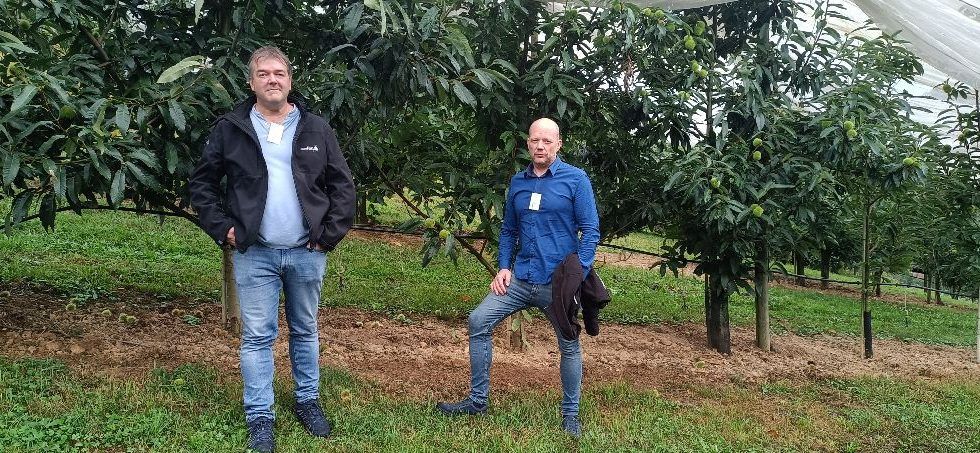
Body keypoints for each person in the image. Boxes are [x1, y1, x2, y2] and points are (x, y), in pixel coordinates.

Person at [188, 45, 355, 453]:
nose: (272, 80)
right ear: (251, 83)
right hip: (255, 252)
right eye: (263, 74)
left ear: (290, 80)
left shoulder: (316, 129)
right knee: (257, 337)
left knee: (305, 329)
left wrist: (327, 236)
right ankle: (260, 416)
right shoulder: (232, 128)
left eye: (279, 73)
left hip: (306, 251)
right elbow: (202, 184)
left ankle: (307, 401)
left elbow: (343, 187)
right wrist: (224, 229)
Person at [436, 118, 600, 438]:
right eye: (535, 140)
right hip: (521, 279)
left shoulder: (576, 179)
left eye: (547, 141)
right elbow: (509, 230)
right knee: (478, 320)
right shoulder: (519, 181)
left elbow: (591, 231)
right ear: (527, 144)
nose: (540, 146)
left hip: (557, 284)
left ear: (558, 144)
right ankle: (478, 401)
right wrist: (503, 267)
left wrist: (578, 273)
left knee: (569, 344)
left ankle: (570, 414)